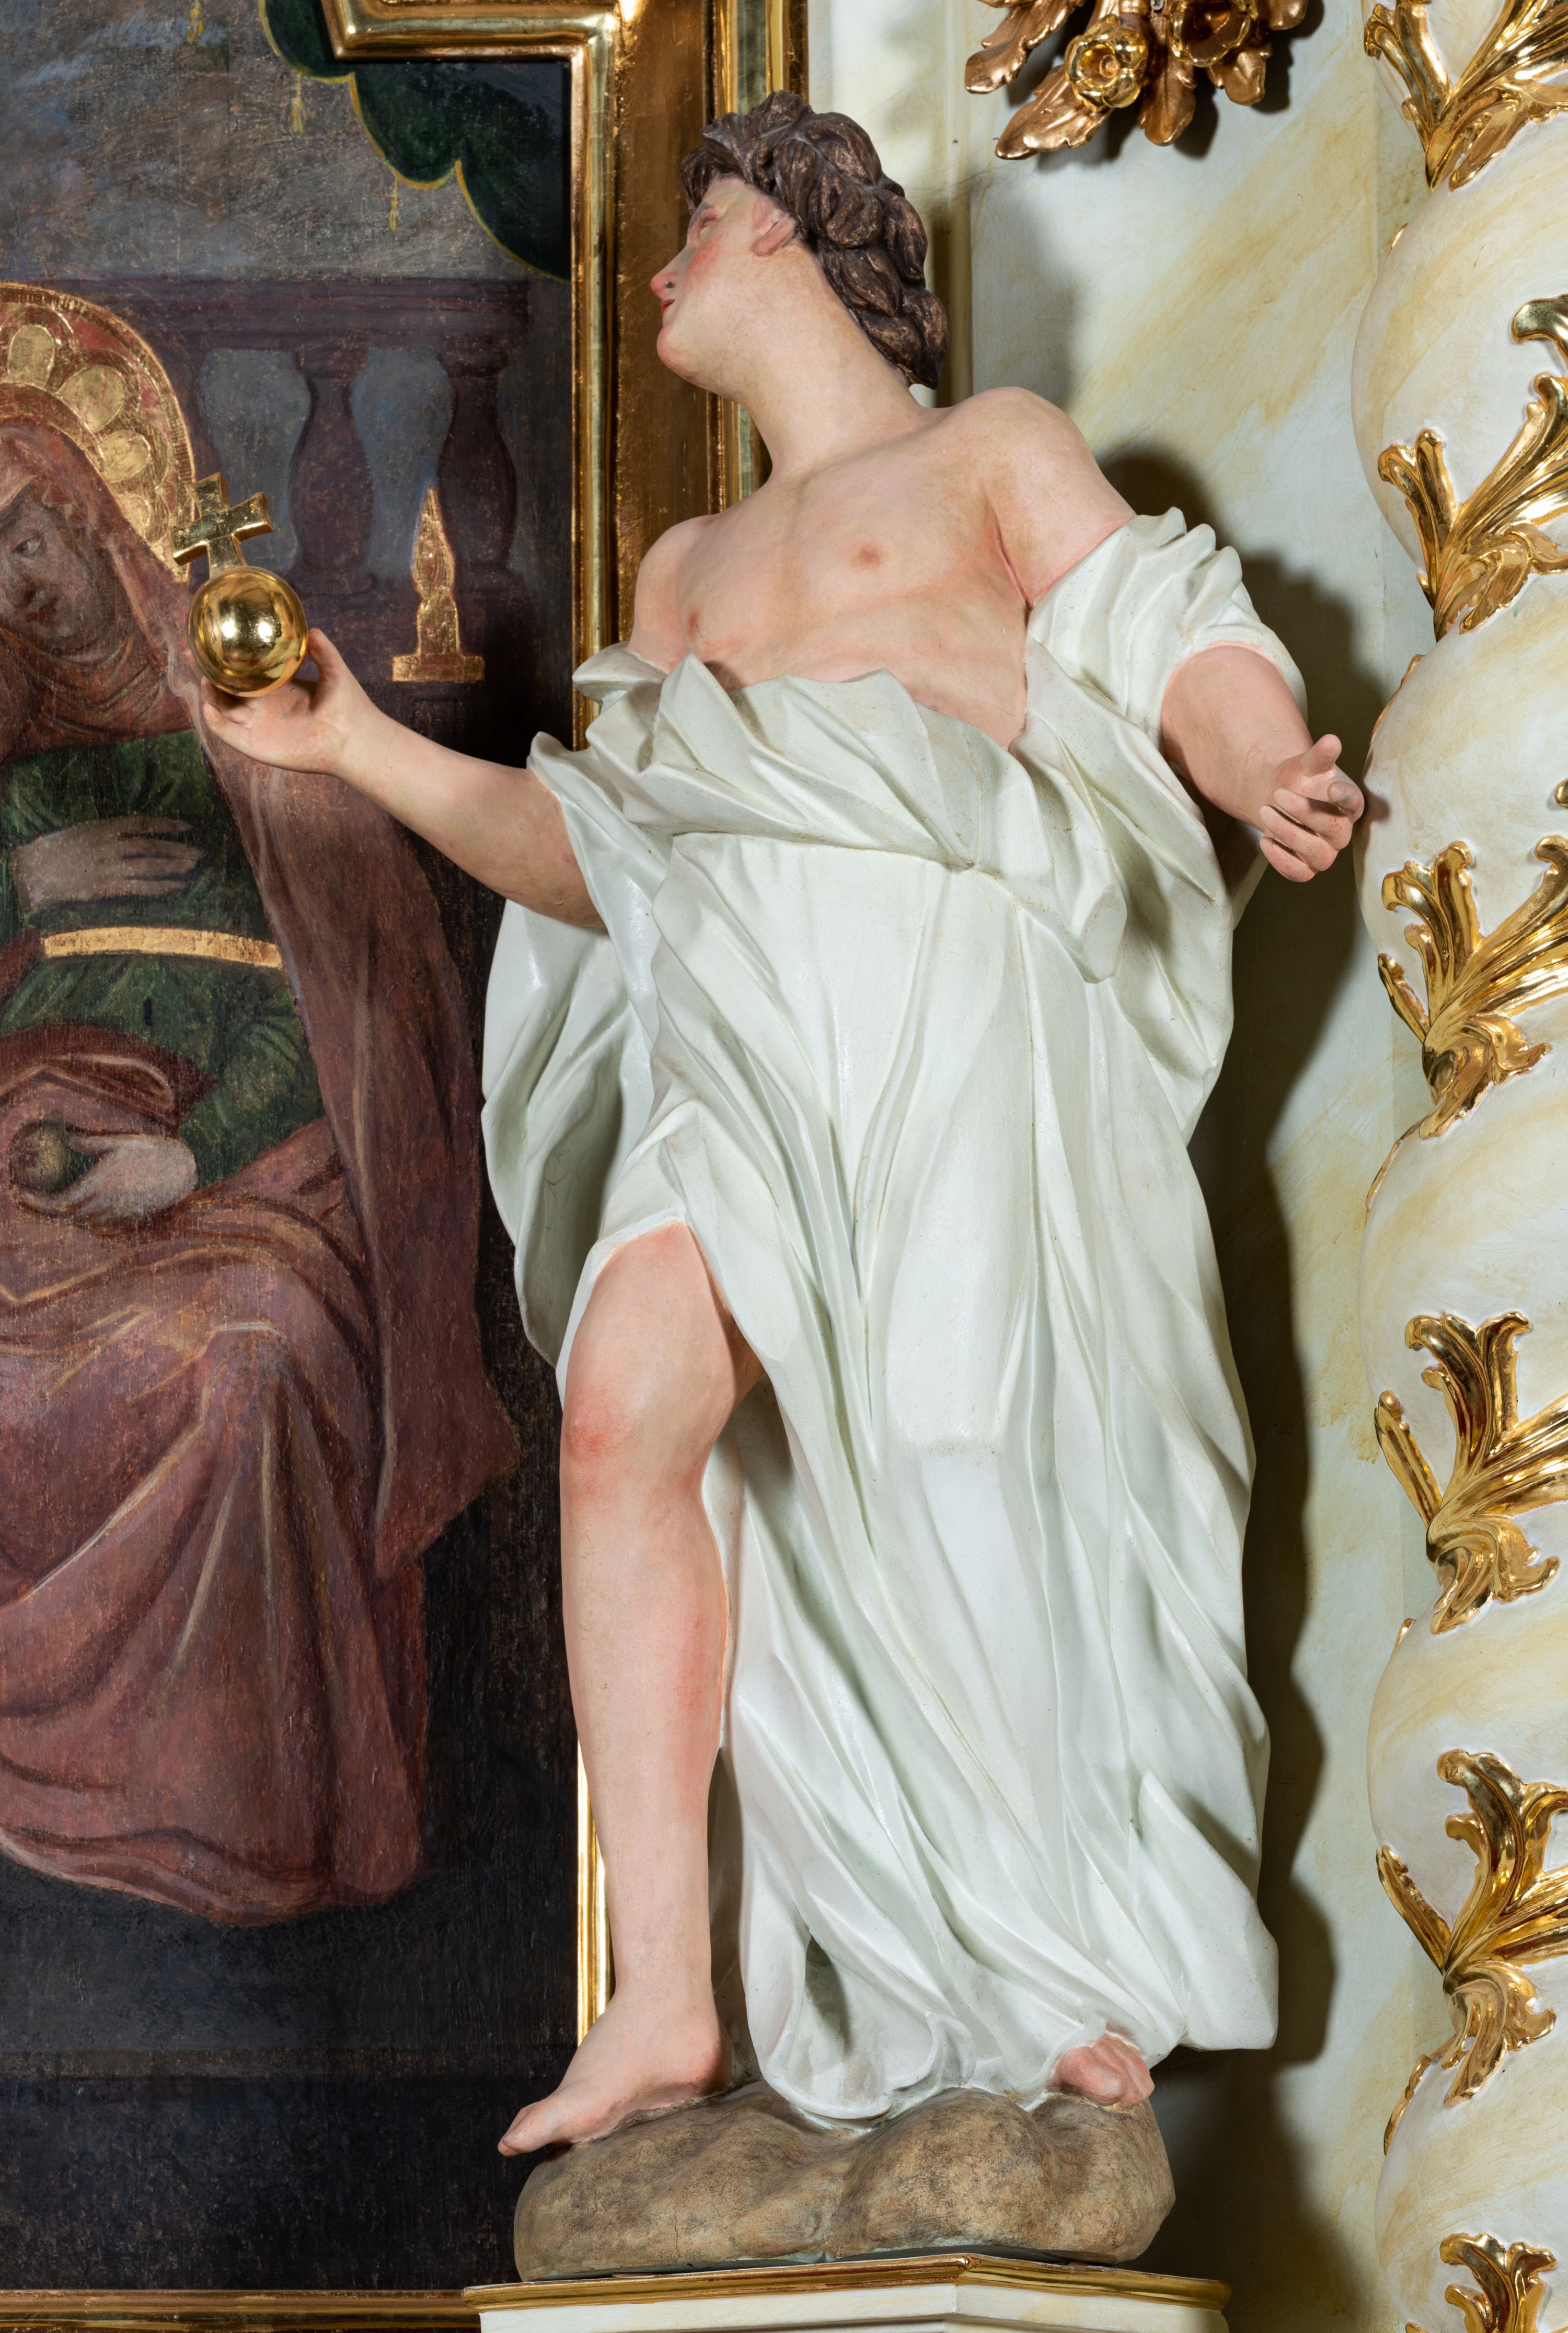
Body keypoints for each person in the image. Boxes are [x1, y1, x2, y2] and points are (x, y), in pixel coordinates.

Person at [204, 94, 1362, 2133]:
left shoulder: (987, 453)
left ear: (795, 233)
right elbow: (599, 854)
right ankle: (665, 1993)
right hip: (737, 1033)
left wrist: (1260, 758)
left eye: (699, 221)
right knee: (617, 1417)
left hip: (950, 1020)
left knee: (951, 1453)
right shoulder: (684, 570)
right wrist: (354, 744)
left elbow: (1162, 625)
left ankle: (1034, 1961)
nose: (661, 270)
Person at [0, 415, 514, 1922]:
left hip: (250, 1162)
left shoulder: (253, 722)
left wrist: (189, 1156)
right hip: (35, 1138)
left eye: (25, 535)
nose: (16, 585)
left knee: (255, 1362)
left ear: (91, 521)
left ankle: (239, 1815)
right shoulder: (15, 768)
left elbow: (348, 1000)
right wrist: (20, 876)